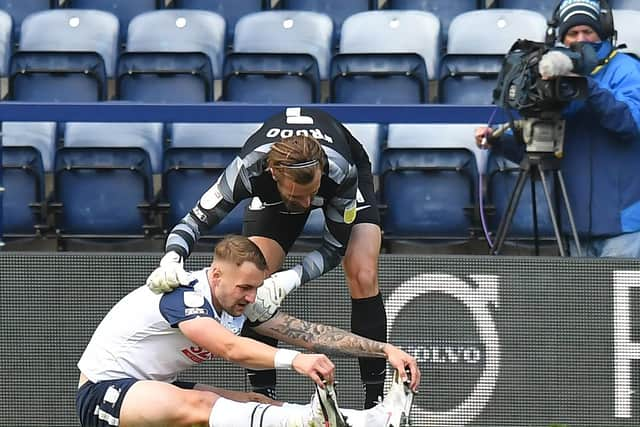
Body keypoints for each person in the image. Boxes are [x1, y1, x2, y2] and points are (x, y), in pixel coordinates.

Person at [147, 107, 388, 407]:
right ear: (273, 174)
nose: (307, 203)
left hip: (344, 170)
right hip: (273, 198)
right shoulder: (247, 170)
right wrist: (172, 258)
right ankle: (263, 400)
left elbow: (334, 247)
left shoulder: (339, 172)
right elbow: (193, 221)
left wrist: (290, 279)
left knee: (362, 272)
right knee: (254, 280)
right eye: (297, 195)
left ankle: (375, 399)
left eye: (311, 193)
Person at [77, 235, 419, 427]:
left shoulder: (241, 301)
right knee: (202, 405)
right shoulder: (184, 295)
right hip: (103, 391)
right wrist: (298, 362)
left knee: (257, 402)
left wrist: (384, 349)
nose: (251, 297)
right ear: (216, 275)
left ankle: (367, 421)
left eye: (256, 288)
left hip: (154, 386)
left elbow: (310, 334)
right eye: (244, 287)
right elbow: (230, 348)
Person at [475, 0, 640, 257]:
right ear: (561, 37)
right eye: (573, 34)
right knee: (580, 299)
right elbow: (541, 143)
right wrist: (498, 139)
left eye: (588, 32)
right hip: (573, 225)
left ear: (604, 31)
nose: (581, 39)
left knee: (622, 300)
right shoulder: (554, 79)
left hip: (624, 227)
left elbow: (630, 122)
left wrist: (588, 88)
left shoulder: (626, 68)